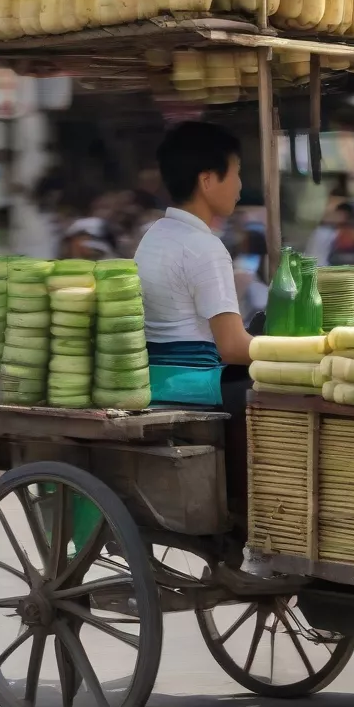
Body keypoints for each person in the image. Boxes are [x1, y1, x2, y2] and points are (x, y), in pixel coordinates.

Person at [135, 121, 255, 523]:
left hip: (155, 372)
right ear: (208, 180)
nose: (240, 185)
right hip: (196, 380)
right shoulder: (205, 248)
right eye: (235, 174)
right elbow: (233, 348)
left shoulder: (154, 235)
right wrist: (302, 353)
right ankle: (258, 520)